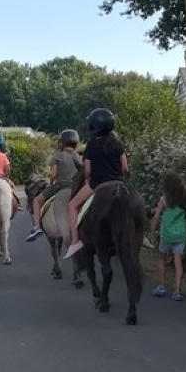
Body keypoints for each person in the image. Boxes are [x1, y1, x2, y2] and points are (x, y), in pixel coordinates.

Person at [62, 108, 128, 259]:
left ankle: (75, 241)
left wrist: (91, 180)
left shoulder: (91, 145)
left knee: (72, 205)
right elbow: (125, 167)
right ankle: (142, 235)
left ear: (93, 126)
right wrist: (117, 177)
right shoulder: (117, 143)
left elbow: (87, 171)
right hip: (119, 182)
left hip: (98, 184)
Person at [149, 172, 186, 301]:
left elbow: (156, 217)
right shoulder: (184, 201)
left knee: (162, 258)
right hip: (180, 235)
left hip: (166, 235)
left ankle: (162, 286)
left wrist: (152, 233)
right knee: (178, 262)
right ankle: (177, 291)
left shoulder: (164, 199)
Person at [26, 128, 83, 242]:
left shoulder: (57, 156)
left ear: (62, 143)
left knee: (36, 200)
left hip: (60, 186)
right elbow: (82, 171)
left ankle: (37, 227)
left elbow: (53, 174)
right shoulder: (78, 156)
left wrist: (52, 183)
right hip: (75, 187)